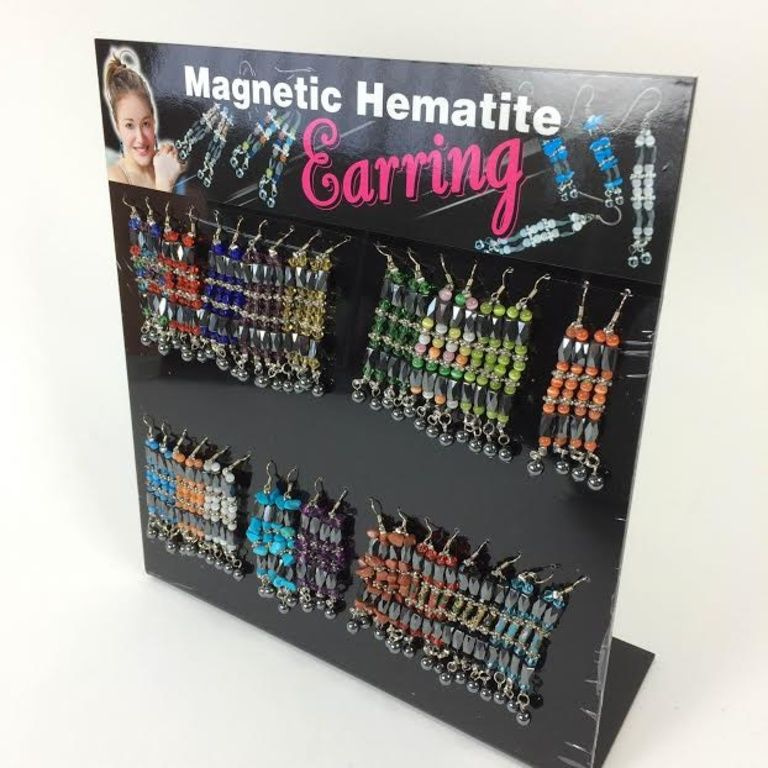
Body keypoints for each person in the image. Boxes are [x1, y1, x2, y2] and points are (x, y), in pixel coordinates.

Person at [103, 49, 184, 191]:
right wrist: (164, 181)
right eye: (129, 125)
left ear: (154, 121)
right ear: (117, 126)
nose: (140, 138)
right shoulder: (115, 177)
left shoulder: (167, 161)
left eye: (145, 123)